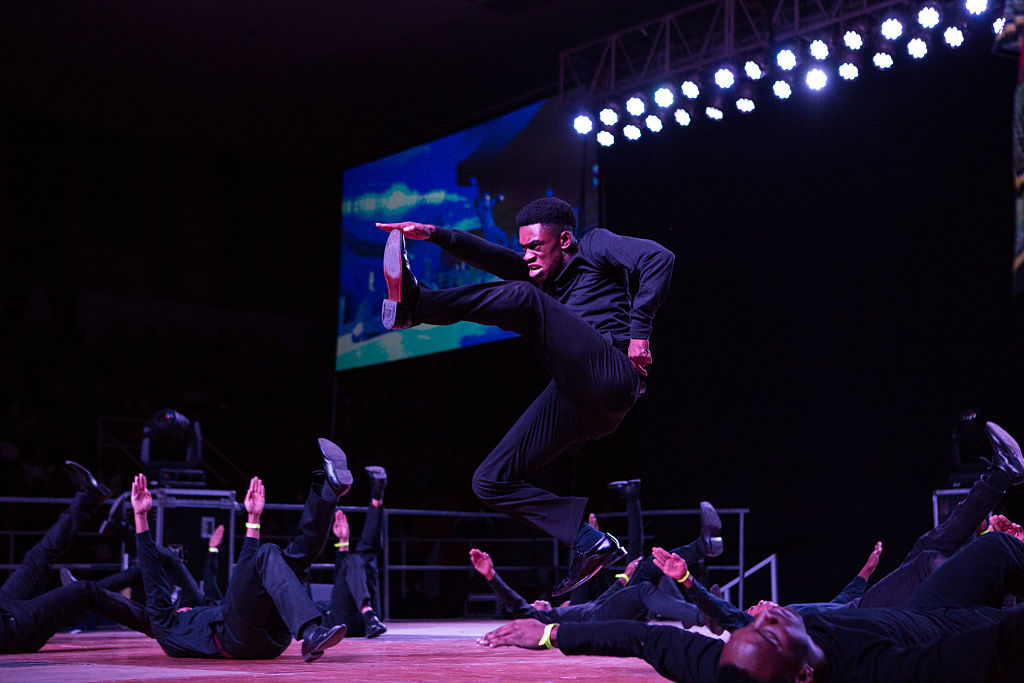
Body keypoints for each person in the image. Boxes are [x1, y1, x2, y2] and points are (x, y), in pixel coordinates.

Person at [376, 196, 675, 595]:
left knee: (525, 297)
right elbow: (494, 257)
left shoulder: (595, 245)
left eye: (536, 246)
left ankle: (417, 305)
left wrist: (640, 334)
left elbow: (660, 258)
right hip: (580, 401)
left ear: (565, 240)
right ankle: (587, 539)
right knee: (489, 480)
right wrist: (434, 234)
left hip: (614, 373)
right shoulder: (540, 276)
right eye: (524, 247)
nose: (528, 256)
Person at [129, 437, 354, 662]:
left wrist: (253, 518)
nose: (182, 606)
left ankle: (329, 491)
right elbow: (152, 575)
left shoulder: (207, 606)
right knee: (267, 552)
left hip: (272, 639)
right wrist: (140, 516)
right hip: (233, 639)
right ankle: (311, 631)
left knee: (294, 560)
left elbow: (247, 566)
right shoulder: (164, 625)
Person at [0, 461, 152, 653]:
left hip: (4, 611)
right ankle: (157, 624)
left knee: (36, 559)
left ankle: (90, 495)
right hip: (14, 630)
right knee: (84, 590)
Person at [469, 547, 708, 628]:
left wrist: (624, 577)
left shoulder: (568, 609)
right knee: (644, 589)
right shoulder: (543, 617)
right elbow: (518, 606)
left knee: (650, 566)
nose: (536, 602)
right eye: (532, 604)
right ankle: (704, 615)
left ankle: (702, 546)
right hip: (601, 622)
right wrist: (491, 576)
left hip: (607, 613)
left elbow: (604, 600)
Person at [317, 465, 388, 638]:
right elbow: (341, 577)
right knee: (361, 557)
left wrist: (343, 542)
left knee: (362, 558)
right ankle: (376, 500)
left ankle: (376, 500)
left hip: (359, 620)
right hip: (347, 622)